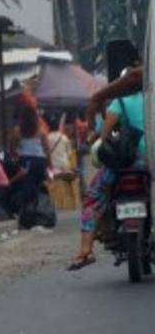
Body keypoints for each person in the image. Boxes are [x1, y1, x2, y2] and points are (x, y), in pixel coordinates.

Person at [69, 66, 146, 270]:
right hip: (149, 162)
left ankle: (85, 250)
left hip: (126, 164)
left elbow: (104, 137)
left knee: (93, 196)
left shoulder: (119, 103)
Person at [7, 105, 51, 220]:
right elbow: (47, 149)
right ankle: (36, 210)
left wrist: (16, 155)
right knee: (37, 186)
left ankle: (27, 211)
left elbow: (12, 148)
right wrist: (50, 164)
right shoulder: (41, 130)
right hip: (40, 162)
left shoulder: (17, 131)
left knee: (26, 186)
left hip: (25, 161)